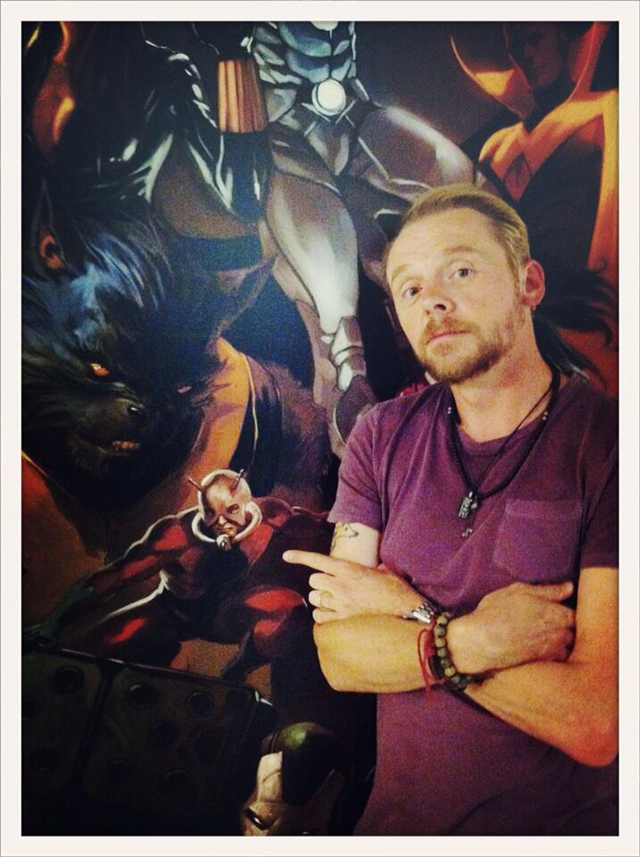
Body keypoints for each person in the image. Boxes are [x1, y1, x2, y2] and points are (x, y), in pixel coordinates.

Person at [283, 183, 618, 835]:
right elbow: (341, 656)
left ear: (529, 283)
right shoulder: (381, 435)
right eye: (409, 288)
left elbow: (594, 721)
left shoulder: (608, 442)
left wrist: (410, 613)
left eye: (459, 271)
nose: (432, 301)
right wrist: (468, 640)